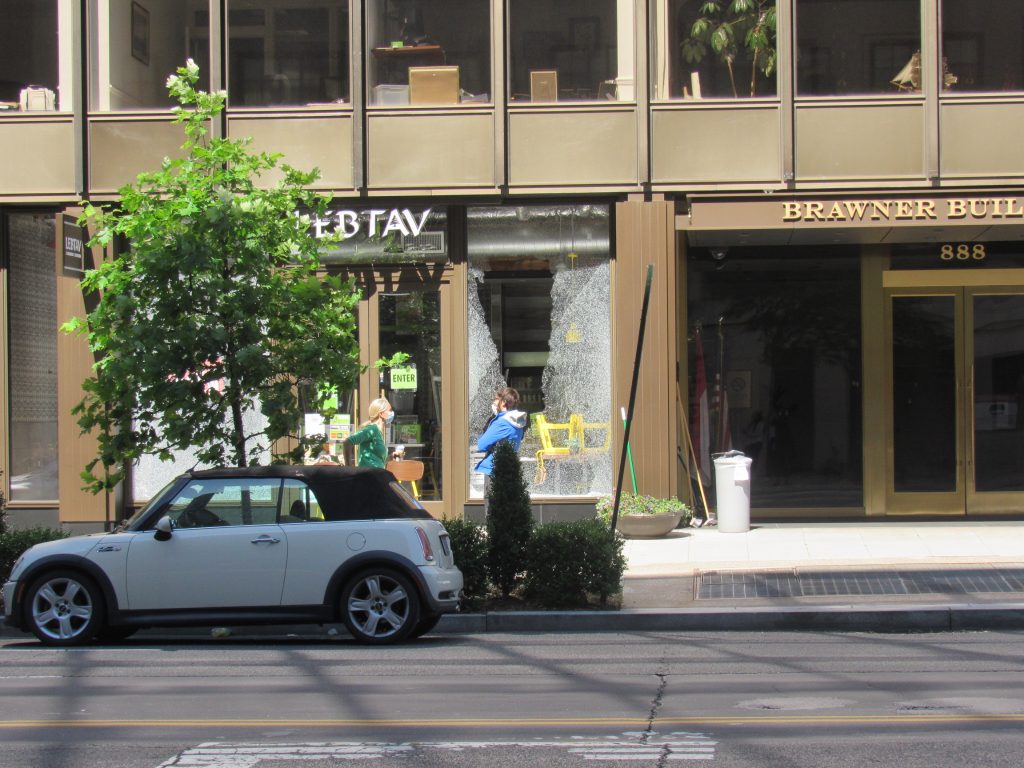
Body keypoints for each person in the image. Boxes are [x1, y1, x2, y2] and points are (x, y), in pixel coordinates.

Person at [474, 387, 528, 507]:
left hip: (494, 470)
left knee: (492, 511)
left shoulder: (502, 422)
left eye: (496, 399)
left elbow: (481, 445)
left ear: (503, 403)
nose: (494, 402)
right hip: (508, 468)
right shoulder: (517, 422)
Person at [344, 397, 396, 469]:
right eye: (390, 410)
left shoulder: (378, 431)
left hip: (376, 473)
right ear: (381, 414)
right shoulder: (372, 430)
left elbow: (377, 461)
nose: (392, 413)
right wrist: (348, 467)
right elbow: (348, 442)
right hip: (369, 474)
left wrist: (391, 457)